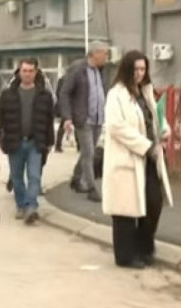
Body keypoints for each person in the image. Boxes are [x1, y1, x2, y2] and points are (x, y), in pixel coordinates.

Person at [101, 50, 173, 269]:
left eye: (143, 69)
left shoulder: (146, 92)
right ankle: (126, 255)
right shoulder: (116, 95)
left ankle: (145, 246)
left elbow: (156, 117)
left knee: (153, 203)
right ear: (127, 70)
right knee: (125, 210)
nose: (140, 74)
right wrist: (145, 145)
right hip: (128, 157)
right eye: (136, 69)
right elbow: (116, 127)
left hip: (150, 157)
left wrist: (165, 130)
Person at [0, 58, 55, 224]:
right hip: (15, 141)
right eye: (24, 71)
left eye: (30, 71)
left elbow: (48, 120)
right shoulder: (8, 94)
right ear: (19, 72)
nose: (27, 74)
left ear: (36, 72)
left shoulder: (44, 96)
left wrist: (50, 141)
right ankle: (21, 205)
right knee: (17, 177)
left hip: (36, 142)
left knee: (34, 176)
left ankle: (31, 206)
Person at [60, 41, 110, 202]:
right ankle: (91, 187)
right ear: (94, 54)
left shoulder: (100, 70)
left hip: (98, 118)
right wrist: (67, 117)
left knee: (88, 152)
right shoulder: (78, 69)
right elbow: (65, 93)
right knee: (89, 152)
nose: (107, 57)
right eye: (104, 53)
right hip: (84, 118)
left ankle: (76, 178)